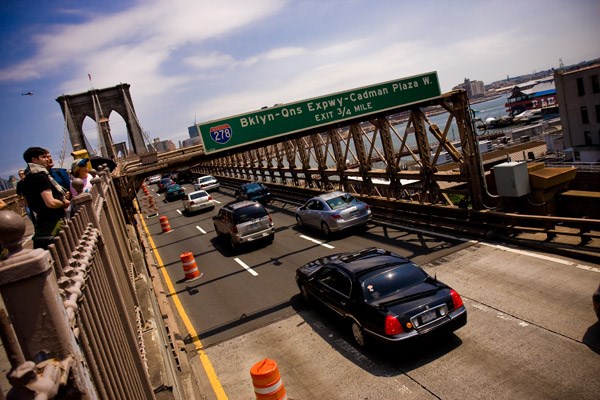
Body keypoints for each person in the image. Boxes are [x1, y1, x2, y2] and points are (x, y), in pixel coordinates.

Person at [21, 147, 70, 249]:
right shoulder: (41, 176)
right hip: (53, 222)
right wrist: (63, 202)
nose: (47, 159)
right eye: (43, 157)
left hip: (41, 223)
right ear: (34, 160)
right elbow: (50, 202)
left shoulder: (27, 178)